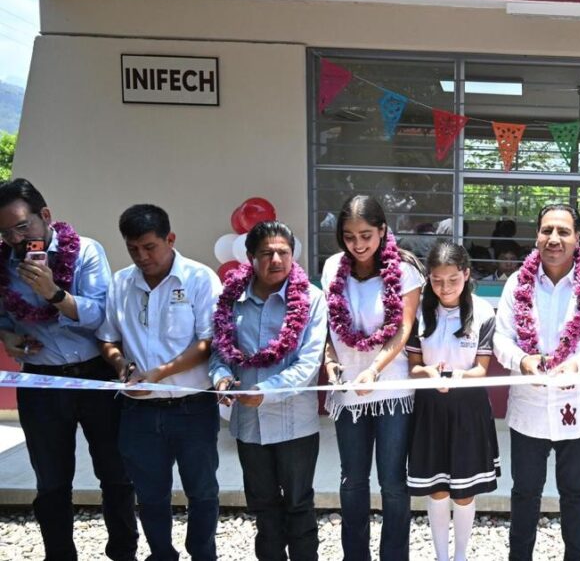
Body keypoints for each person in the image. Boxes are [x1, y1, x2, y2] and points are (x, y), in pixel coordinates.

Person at [0, 178, 137, 561]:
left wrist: (53, 294)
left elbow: (100, 315)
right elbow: (3, 316)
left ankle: (123, 552)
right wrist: (6, 336)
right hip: (40, 381)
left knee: (115, 473)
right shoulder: (3, 263)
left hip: (96, 374)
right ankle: (59, 554)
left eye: (22, 226)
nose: (15, 238)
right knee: (52, 480)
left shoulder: (87, 252)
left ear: (45, 216)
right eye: (6, 231)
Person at [493, 203, 580, 561]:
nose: (554, 239)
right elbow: (501, 340)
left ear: (577, 238)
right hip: (528, 409)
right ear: (537, 235)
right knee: (525, 493)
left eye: (563, 231)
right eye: (547, 230)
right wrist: (522, 359)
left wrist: (578, 363)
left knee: (576, 492)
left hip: (578, 409)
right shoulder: (515, 283)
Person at [97, 204, 223, 561]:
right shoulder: (122, 282)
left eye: (150, 246)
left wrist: (159, 373)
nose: (142, 256)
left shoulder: (200, 279)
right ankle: (161, 554)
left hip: (192, 406)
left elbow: (208, 341)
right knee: (150, 494)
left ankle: (203, 554)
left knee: (202, 491)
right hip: (138, 411)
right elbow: (107, 338)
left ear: (170, 239)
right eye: (133, 248)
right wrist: (121, 364)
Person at [209, 221, 328, 561]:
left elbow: (308, 364)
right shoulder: (232, 299)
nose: (276, 259)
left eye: (283, 252)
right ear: (250, 257)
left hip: (295, 425)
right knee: (263, 508)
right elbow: (221, 351)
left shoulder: (311, 299)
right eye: (267, 253)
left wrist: (267, 391)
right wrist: (220, 377)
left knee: (299, 505)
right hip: (249, 425)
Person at [320, 195, 423, 561]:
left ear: (382, 231)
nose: (358, 244)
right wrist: (332, 362)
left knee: (393, 483)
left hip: (391, 389)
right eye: (349, 236)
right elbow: (330, 329)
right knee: (352, 482)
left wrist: (375, 369)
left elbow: (404, 328)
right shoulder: (333, 267)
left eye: (366, 234)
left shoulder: (406, 270)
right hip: (348, 392)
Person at [406, 241, 501, 561]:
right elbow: (414, 367)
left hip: (468, 408)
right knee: (438, 487)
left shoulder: (484, 312)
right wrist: (429, 373)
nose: (445, 287)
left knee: (464, 490)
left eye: (453, 279)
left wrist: (460, 378)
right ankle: (441, 556)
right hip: (430, 409)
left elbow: (482, 369)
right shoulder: (419, 312)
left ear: (467, 274)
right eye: (437, 280)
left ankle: (460, 555)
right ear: (428, 279)